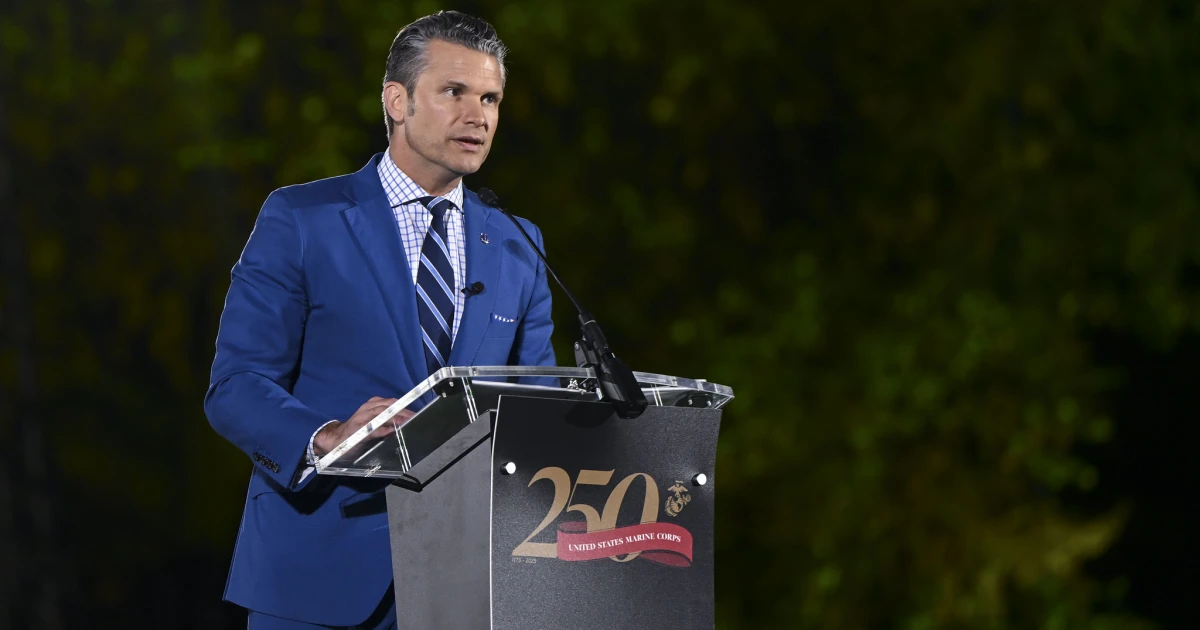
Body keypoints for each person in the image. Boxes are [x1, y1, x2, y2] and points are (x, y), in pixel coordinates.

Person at [204, 11, 556, 629]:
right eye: (454, 92)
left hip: (469, 586)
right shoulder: (302, 219)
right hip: (318, 573)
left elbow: (538, 409)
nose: (478, 116)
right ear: (397, 100)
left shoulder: (519, 244)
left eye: (490, 98)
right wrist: (327, 436)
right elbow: (235, 386)